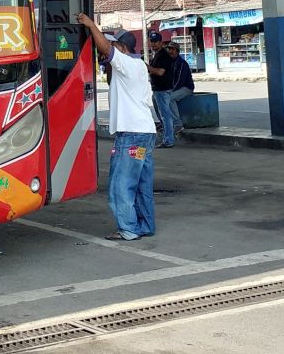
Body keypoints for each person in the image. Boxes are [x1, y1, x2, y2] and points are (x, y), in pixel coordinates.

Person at [75, 13, 156, 241]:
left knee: (121, 185)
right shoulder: (137, 66)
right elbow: (111, 76)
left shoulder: (126, 62)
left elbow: (107, 50)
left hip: (131, 135)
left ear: (121, 48)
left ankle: (129, 229)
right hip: (145, 134)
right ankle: (145, 225)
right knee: (141, 184)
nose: (106, 49)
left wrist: (91, 25)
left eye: (112, 44)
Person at [154, 41, 195, 147]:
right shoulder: (168, 61)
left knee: (169, 98)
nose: (170, 51)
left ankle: (177, 123)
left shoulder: (182, 63)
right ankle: (163, 123)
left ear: (177, 51)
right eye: (169, 49)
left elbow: (179, 81)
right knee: (155, 98)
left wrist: (169, 90)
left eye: (172, 49)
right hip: (169, 88)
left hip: (185, 88)